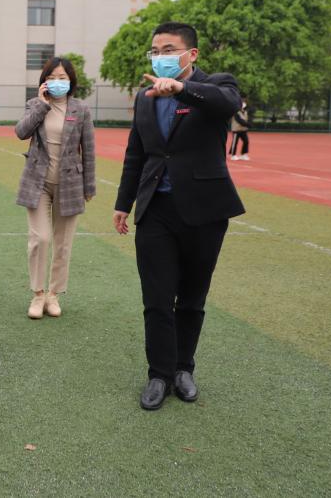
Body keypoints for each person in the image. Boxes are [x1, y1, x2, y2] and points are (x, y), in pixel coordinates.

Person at [112, 22, 245, 411]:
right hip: (156, 210)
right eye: (155, 51)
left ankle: (184, 369)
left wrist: (181, 89)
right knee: (156, 298)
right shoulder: (146, 98)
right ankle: (159, 374)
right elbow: (136, 153)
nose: (160, 57)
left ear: (192, 54)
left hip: (204, 211)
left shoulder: (216, 85)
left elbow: (228, 104)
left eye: (169, 50)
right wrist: (123, 203)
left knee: (191, 298)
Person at [14, 56, 96, 319]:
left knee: (63, 244)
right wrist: (42, 105)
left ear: (71, 81)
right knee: (40, 239)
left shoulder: (81, 110)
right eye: (51, 78)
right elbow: (21, 132)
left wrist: (89, 186)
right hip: (37, 182)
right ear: (43, 81)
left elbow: (88, 149)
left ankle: (53, 294)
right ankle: (38, 294)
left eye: (62, 77)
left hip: (70, 184)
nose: (57, 82)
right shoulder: (35, 105)